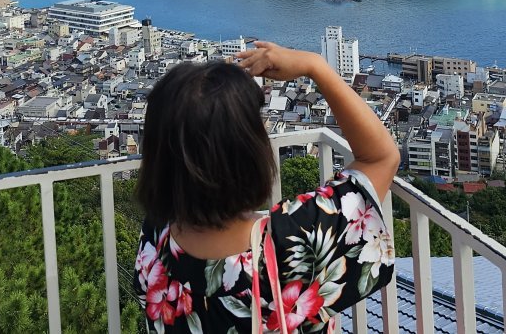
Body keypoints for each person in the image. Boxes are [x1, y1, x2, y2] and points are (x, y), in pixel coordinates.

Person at [134, 41, 400, 333]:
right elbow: (381, 158)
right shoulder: (292, 241)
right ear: (249, 153)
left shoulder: (158, 237)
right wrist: (315, 66)